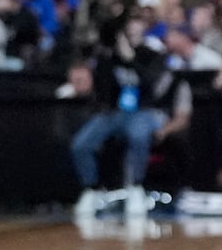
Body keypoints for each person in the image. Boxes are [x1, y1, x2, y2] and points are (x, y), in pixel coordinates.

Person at [71, 15, 192, 224]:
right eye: (129, 29)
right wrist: (109, 57)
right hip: (115, 112)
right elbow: (101, 86)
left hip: (145, 111)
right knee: (81, 144)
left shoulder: (152, 55)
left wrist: (130, 59)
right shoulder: (110, 55)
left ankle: (135, 186)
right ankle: (90, 189)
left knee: (138, 135)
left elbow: (151, 83)